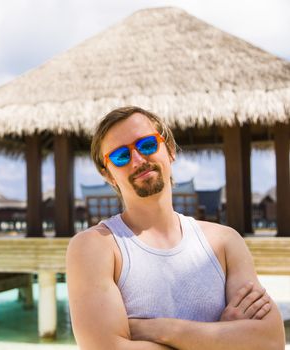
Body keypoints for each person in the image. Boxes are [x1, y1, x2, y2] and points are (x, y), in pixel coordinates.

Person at [66, 106, 285, 349]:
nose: (138, 160)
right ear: (108, 174)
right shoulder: (96, 246)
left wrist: (159, 329)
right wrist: (222, 337)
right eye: (120, 156)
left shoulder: (224, 242)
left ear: (169, 150)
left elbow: (271, 341)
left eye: (147, 145)